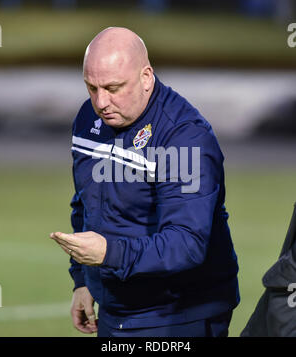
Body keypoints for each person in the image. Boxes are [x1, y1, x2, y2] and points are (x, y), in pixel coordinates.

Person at [50, 27, 240, 337]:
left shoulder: (183, 138)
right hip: (117, 309)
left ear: (146, 77)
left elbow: (187, 243)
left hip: (179, 315)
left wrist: (108, 254)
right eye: (91, 87)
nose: (101, 102)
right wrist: (83, 281)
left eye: (113, 87)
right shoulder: (89, 119)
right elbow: (86, 203)